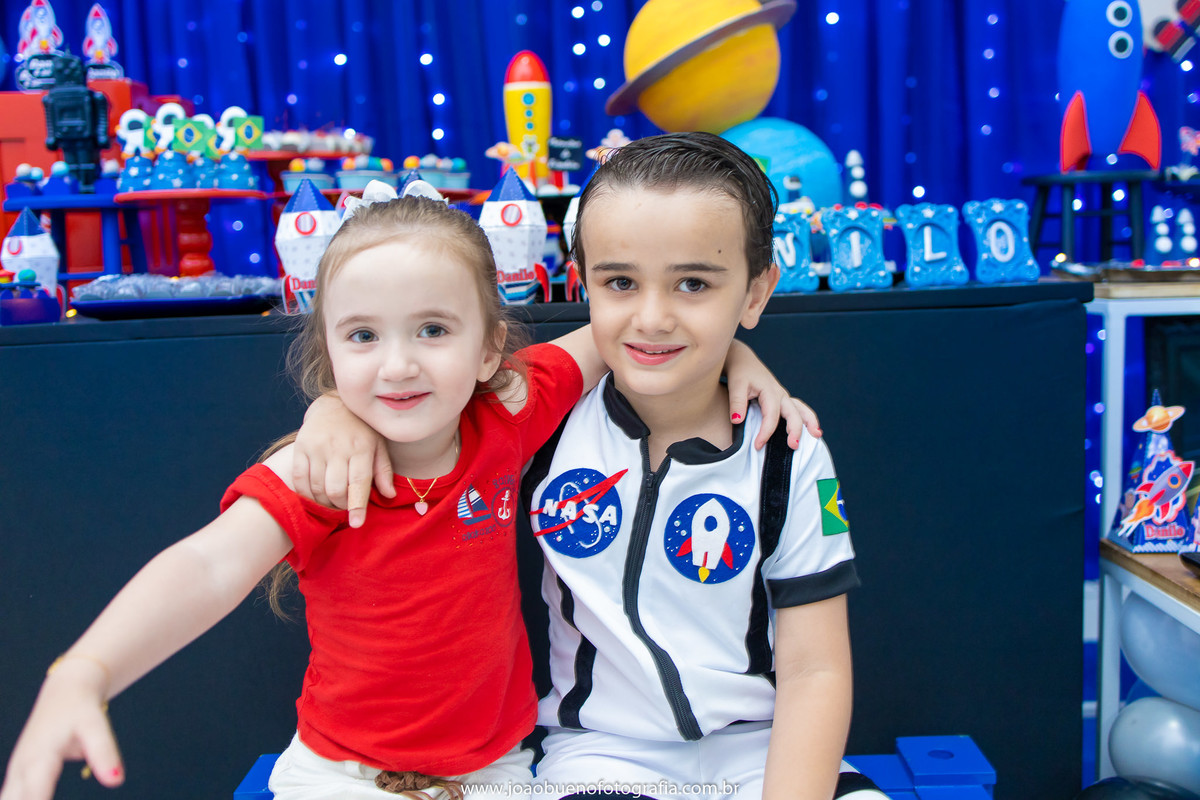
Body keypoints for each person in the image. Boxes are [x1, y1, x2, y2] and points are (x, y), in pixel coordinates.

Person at [0, 188, 814, 800]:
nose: (397, 365)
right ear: (327, 346)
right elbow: (210, 567)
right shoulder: (317, 471)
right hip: (341, 778)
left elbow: (618, 340)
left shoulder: (505, 413)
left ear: (491, 345)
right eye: (363, 336)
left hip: (495, 773)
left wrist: (740, 361)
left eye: (432, 330)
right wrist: (88, 670)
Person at [291, 135, 884, 800]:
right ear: (584, 282)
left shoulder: (788, 449)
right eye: (620, 282)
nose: (653, 316)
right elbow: (410, 403)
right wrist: (333, 411)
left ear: (755, 292)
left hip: (765, 752)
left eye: (694, 283)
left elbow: (815, 671)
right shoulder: (540, 419)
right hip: (602, 760)